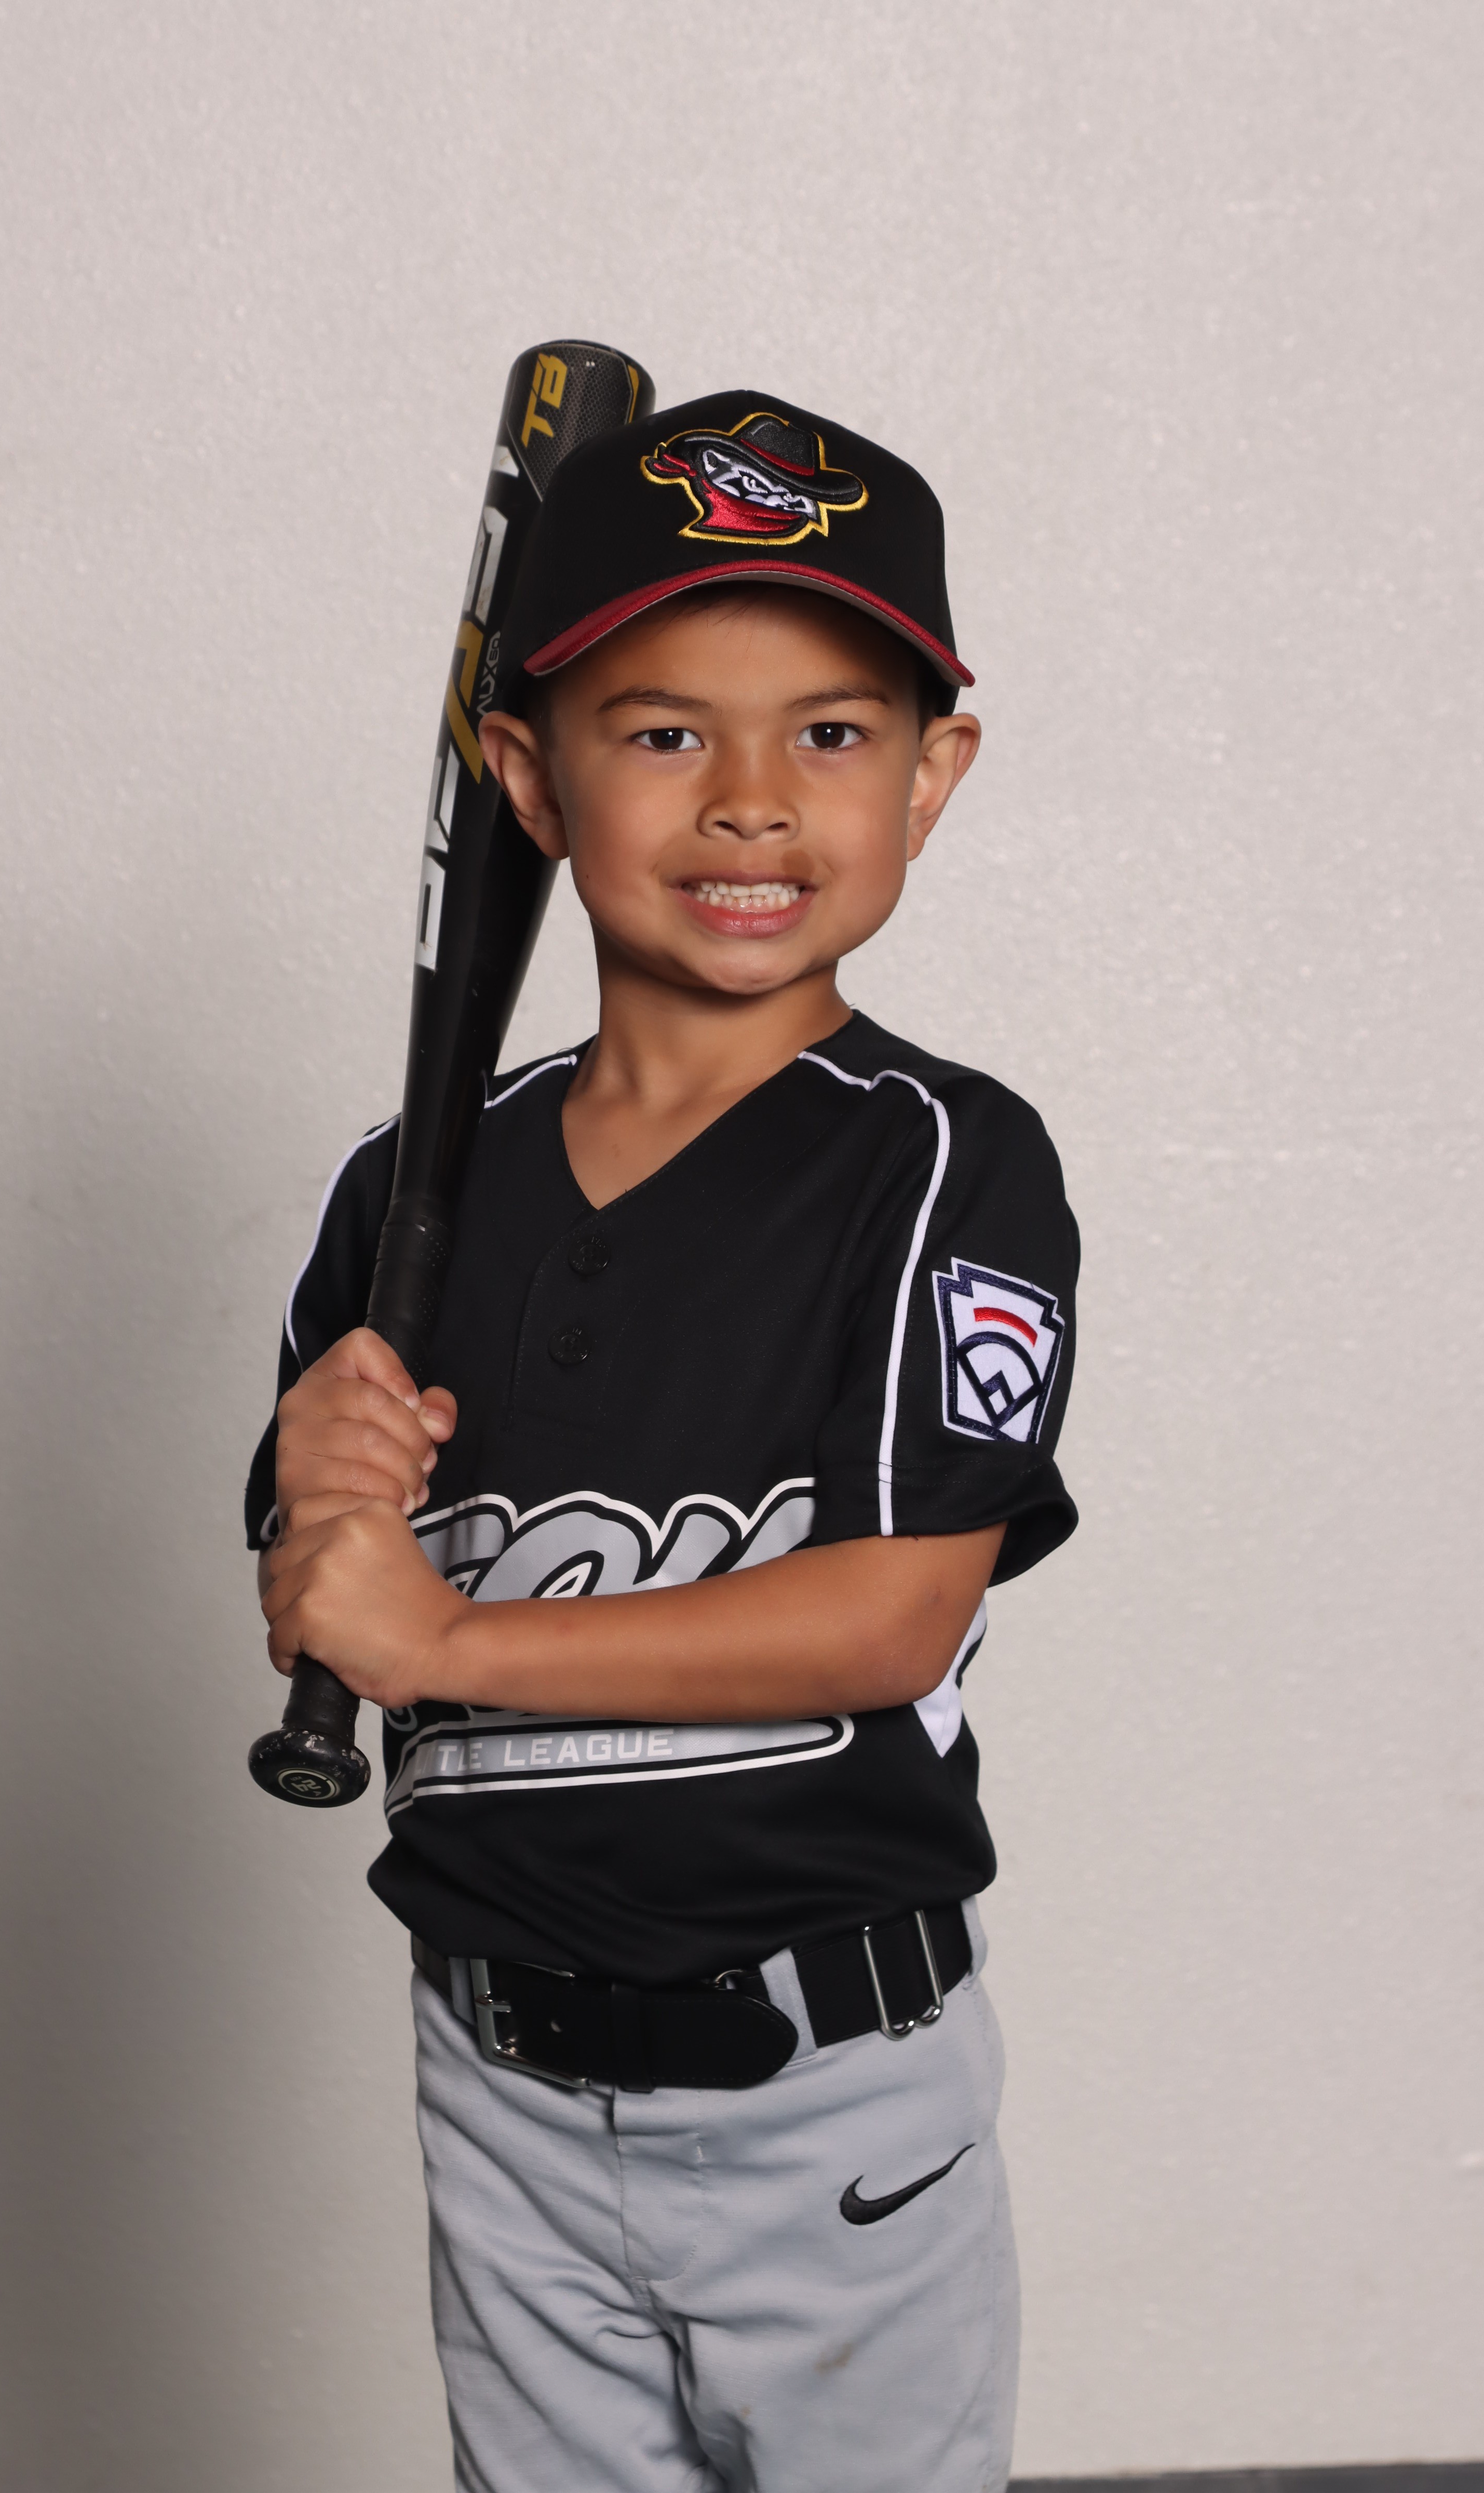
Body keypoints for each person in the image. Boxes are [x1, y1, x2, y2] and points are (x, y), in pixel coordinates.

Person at [245, 392, 1080, 2493]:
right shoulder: (416, 1185)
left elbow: (890, 1617)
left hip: (829, 2094)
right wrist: (313, 1494)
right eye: (662, 730)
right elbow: (329, 1599)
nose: (750, 800)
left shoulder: (939, 1161)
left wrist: (449, 1642)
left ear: (931, 776)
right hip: (496, 2078)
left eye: (833, 731)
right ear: (526, 777)